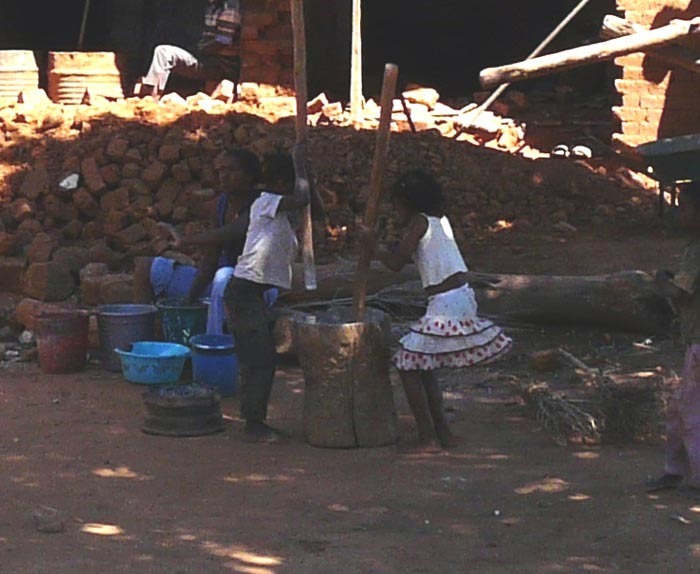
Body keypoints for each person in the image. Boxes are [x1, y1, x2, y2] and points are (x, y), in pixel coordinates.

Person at [360, 169, 512, 451]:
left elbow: (395, 262)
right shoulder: (439, 221)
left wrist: (371, 245)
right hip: (459, 297)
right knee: (423, 365)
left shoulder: (418, 223)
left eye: (397, 205)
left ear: (408, 202)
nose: (396, 211)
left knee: (407, 364)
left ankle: (428, 437)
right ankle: (442, 432)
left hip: (446, 303)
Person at [225, 148, 324, 443]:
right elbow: (302, 198)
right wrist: (302, 172)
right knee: (261, 360)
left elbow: (315, 210)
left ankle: (253, 419)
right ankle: (253, 424)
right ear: (282, 184)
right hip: (243, 292)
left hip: (252, 294)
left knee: (260, 357)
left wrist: (309, 179)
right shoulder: (266, 201)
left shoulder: (280, 207)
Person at [133, 148, 276, 334]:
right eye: (220, 171)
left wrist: (184, 240)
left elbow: (232, 231)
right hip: (218, 285)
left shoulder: (263, 203)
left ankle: (214, 344)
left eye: (231, 170)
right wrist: (191, 296)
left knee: (223, 277)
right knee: (146, 267)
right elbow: (211, 256)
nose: (224, 176)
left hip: (253, 288)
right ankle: (146, 342)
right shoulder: (222, 204)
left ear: (249, 175)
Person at [648, 184, 700, 498]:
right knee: (681, 409)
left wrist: (660, 283)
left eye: (685, 207)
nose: (679, 214)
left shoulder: (696, 250)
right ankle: (676, 469)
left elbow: (680, 292)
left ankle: (690, 475)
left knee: (689, 411)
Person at [136, 0, 241, 98]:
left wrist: (196, 50)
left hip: (219, 65)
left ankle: (150, 97)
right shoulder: (211, 6)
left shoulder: (229, 7)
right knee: (163, 52)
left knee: (164, 53)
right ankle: (150, 93)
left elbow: (223, 41)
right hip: (205, 59)